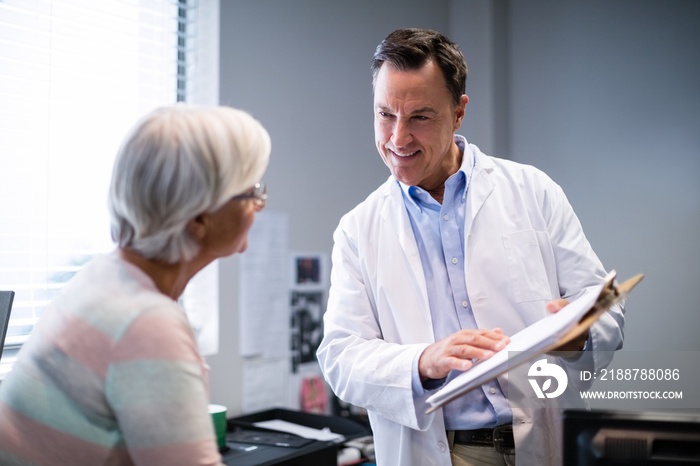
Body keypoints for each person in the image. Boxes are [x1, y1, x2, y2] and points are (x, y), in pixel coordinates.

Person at [316, 28, 624, 466]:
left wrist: (579, 334)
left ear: (459, 112)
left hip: (545, 439)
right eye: (385, 114)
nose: (397, 139)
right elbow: (341, 356)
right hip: (443, 452)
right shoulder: (358, 229)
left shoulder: (532, 191)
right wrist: (424, 360)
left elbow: (605, 306)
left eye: (420, 117)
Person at [0, 104, 271, 466]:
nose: (259, 205)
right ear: (199, 217)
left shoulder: (103, 277)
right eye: (251, 190)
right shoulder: (146, 322)